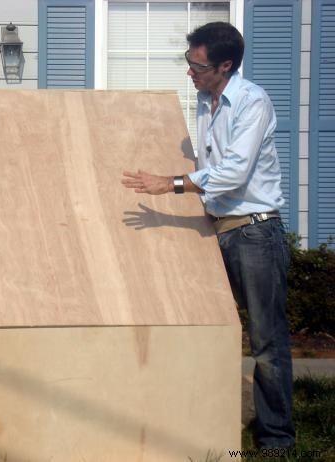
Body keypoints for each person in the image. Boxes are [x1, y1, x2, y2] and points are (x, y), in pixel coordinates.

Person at [121, 22, 294, 449]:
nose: (189, 73)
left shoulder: (252, 102)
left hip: (255, 232)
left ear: (226, 65)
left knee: (266, 342)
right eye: (188, 62)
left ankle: (276, 439)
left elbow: (233, 174)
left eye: (197, 66)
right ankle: (204, 420)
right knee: (211, 330)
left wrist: (172, 184)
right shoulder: (204, 102)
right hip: (218, 231)